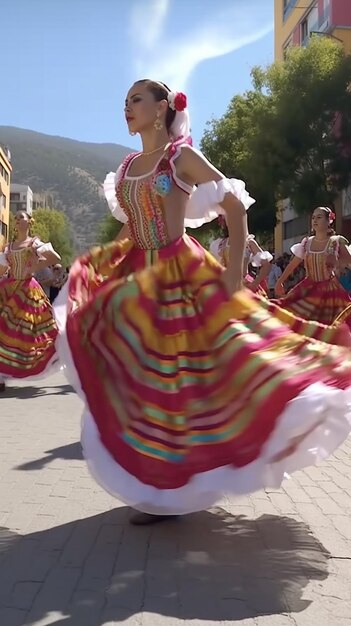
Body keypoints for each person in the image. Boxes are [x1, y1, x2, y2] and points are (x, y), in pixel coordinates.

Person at [55, 79, 351, 525]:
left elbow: (234, 206)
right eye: (125, 101)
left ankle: (176, 484)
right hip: (139, 275)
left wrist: (233, 278)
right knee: (141, 378)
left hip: (179, 275)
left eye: (136, 99)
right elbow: (133, 227)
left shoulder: (180, 157)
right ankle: (159, 485)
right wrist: (99, 264)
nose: (127, 107)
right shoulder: (129, 164)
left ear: (161, 110)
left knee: (197, 373)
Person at [0, 211, 61, 392]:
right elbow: (3, 268)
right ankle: (1, 375)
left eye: (22, 218)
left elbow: (55, 258)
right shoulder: (8, 247)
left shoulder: (34, 243)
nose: (18, 221)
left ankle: (55, 355)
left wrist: (35, 266)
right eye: (16, 219)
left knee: (27, 332)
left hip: (27, 290)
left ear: (29, 222)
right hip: (8, 288)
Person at [274, 207, 351, 324]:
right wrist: (280, 280)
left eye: (319, 217)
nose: (315, 220)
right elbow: (294, 263)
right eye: (313, 217)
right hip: (308, 287)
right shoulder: (306, 242)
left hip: (330, 292)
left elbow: (348, 259)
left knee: (330, 324)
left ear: (329, 221)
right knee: (290, 314)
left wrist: (338, 263)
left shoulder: (335, 241)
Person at [210, 217, 272, 295]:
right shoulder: (221, 243)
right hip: (226, 287)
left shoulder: (248, 242)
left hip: (245, 286)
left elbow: (266, 265)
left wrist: (254, 284)